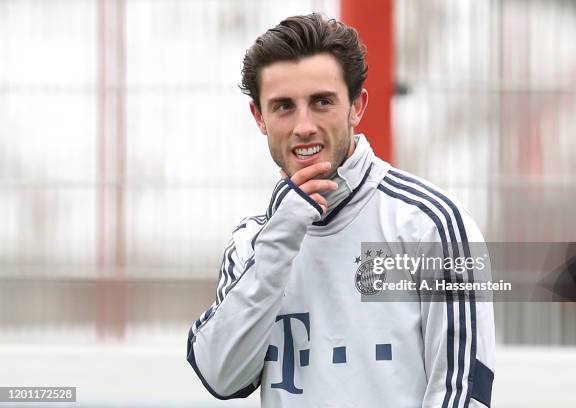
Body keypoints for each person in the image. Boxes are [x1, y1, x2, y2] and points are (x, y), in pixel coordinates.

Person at [187, 13, 495, 407]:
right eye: (283, 106)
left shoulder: (431, 226)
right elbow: (220, 376)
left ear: (356, 106)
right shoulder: (252, 243)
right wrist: (279, 241)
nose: (304, 126)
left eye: (321, 102)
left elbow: (462, 392)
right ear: (259, 118)